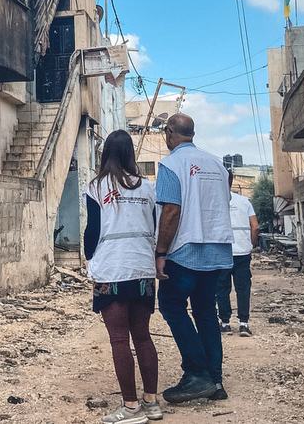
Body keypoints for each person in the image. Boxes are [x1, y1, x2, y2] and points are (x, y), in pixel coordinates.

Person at [153, 113, 234, 403]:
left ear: (171, 132)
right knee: (205, 312)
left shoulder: (171, 164)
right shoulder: (217, 164)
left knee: (172, 305)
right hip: (217, 249)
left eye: (165, 132)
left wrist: (160, 252)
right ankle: (215, 380)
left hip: (185, 250)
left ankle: (197, 372)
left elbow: (171, 212)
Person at [83, 130, 163, 423]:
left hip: (112, 269)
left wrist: (90, 257)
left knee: (119, 339)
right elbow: (154, 227)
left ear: (106, 154)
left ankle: (131, 408)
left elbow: (92, 231)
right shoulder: (148, 188)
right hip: (142, 268)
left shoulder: (97, 187)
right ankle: (151, 403)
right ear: (131, 153)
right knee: (143, 335)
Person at [217, 170, 258, 337]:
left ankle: (225, 323)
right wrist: (251, 244)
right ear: (232, 181)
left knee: (222, 289)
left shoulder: (214, 201)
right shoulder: (244, 201)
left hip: (222, 251)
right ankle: (243, 324)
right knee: (243, 288)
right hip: (242, 252)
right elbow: (255, 226)